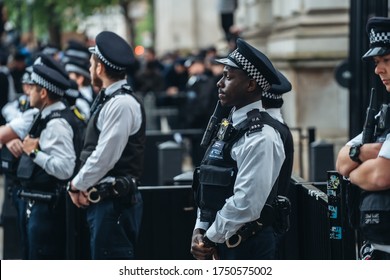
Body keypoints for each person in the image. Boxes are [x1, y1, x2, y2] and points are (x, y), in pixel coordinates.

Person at [190, 38, 290, 260]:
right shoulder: (229, 125)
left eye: (228, 77)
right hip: (220, 238)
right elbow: (208, 180)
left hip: (245, 246)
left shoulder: (262, 136)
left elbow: (247, 203)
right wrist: (200, 228)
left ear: (251, 85)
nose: (219, 83)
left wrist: (209, 238)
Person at [67, 31, 146, 260]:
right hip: (105, 204)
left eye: (92, 63)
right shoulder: (111, 99)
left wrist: (76, 185)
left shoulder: (121, 103)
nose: (90, 68)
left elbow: (105, 156)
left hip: (114, 205)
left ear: (99, 68)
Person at [336, 17, 390, 260]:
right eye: (377, 62)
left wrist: (353, 174)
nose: (378, 69)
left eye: (386, 61)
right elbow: (341, 162)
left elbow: (380, 175)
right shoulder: (384, 114)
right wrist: (364, 153)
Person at [15, 64, 82, 259]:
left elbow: (65, 168)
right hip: (44, 204)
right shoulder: (48, 116)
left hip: (49, 207)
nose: (28, 93)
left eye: (33, 88)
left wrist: (34, 152)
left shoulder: (56, 124)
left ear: (43, 93)